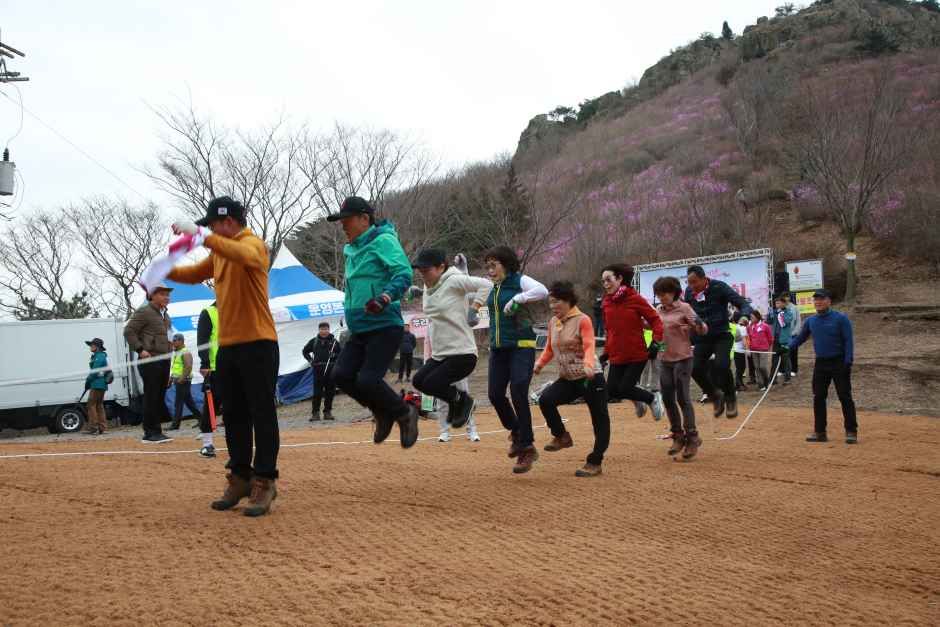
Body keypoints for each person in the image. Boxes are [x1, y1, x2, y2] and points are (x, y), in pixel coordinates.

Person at [169, 195, 281, 517]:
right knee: (233, 415)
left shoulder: (252, 244)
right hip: (228, 347)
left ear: (228, 222)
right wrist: (161, 269)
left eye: (213, 226)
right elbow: (192, 274)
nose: (210, 233)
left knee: (262, 413)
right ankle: (241, 477)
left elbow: (242, 253)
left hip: (259, 342)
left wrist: (204, 237)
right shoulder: (219, 253)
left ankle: (265, 481)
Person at [327, 196, 419, 448]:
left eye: (347, 220)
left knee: (368, 380)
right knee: (342, 375)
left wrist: (385, 296)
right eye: (341, 221)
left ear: (364, 219)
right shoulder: (351, 248)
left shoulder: (383, 240)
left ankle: (404, 412)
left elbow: (403, 273)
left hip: (384, 324)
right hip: (359, 328)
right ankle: (382, 412)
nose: (343, 225)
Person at [480, 245, 548, 474]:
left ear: (506, 264)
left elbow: (542, 291)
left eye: (494, 265)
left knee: (518, 388)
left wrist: (519, 298)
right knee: (495, 394)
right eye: (487, 266)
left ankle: (526, 446)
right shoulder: (494, 288)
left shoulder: (520, 281)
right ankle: (517, 432)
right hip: (498, 348)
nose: (490, 270)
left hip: (521, 345)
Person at [410, 248, 492, 434]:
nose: (423, 276)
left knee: (432, 383)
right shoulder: (428, 285)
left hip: (461, 353)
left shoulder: (454, 280)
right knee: (419, 381)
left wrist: (474, 309)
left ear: (441, 267)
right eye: (420, 272)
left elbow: (486, 285)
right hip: (441, 354)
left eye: (426, 271)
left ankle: (464, 401)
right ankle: (457, 403)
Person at [534, 281, 610, 477]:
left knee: (599, 419)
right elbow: (550, 348)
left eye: (556, 302)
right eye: (550, 302)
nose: (552, 306)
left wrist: (588, 364)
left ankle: (595, 461)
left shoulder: (582, 319)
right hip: (568, 378)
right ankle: (561, 436)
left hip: (589, 377)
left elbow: (589, 345)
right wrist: (540, 364)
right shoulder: (554, 322)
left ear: (567, 300)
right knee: (546, 400)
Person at [789, 289, 858, 444]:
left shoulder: (841, 319)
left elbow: (848, 341)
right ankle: (820, 432)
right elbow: (800, 338)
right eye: (815, 300)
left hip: (839, 362)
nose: (818, 302)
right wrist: (787, 348)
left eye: (821, 299)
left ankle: (851, 431)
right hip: (821, 363)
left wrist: (848, 361)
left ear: (829, 301)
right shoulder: (811, 321)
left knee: (845, 396)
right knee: (818, 397)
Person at [684, 265, 752, 419]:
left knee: (721, 365)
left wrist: (745, 315)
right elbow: (685, 310)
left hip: (722, 334)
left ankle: (730, 398)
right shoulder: (689, 292)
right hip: (702, 337)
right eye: (689, 283)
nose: (691, 286)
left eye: (694, 282)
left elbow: (742, 303)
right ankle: (715, 395)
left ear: (704, 278)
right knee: (694, 368)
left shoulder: (719, 287)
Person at [599, 264, 665, 420]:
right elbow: (610, 330)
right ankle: (639, 400)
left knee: (625, 387)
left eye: (608, 280)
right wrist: (606, 353)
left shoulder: (634, 298)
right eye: (603, 281)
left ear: (620, 278)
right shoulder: (606, 302)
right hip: (617, 354)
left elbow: (656, 321)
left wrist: (656, 343)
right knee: (613, 390)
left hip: (637, 353)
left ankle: (652, 398)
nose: (605, 284)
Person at [653, 277, 708, 459]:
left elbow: (702, 329)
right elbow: (650, 325)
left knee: (682, 398)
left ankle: (692, 437)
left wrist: (699, 326)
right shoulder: (658, 310)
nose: (662, 297)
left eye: (665, 293)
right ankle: (678, 436)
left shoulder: (684, 308)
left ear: (674, 292)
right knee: (668, 398)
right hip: (665, 359)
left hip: (683, 358)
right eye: (659, 294)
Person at [124, 283, 175, 444]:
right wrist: (140, 350)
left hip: (164, 359)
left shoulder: (165, 315)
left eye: (168, 295)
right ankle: (149, 433)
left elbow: (166, 335)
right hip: (150, 359)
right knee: (151, 396)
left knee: (159, 397)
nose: (166, 297)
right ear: (152, 295)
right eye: (163, 294)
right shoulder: (144, 312)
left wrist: (170, 345)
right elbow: (128, 331)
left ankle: (157, 431)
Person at [196, 301, 220, 458]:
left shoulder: (237, 309)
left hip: (236, 366)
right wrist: (204, 363)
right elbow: (202, 340)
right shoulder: (209, 312)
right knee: (211, 406)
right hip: (214, 367)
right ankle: (207, 443)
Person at [302, 322, 341, 421]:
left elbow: (341, 353)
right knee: (317, 393)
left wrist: (335, 356)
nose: (324, 331)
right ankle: (315, 414)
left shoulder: (334, 342)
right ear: (319, 330)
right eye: (322, 329)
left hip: (331, 370)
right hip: (318, 369)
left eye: (326, 329)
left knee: (330, 392)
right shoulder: (314, 341)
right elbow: (305, 351)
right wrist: (311, 361)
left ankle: (327, 412)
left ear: (329, 330)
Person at [168, 333, 200, 430]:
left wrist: (182, 378)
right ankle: (202, 419)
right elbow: (175, 368)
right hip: (179, 380)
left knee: (178, 403)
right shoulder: (177, 352)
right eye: (173, 341)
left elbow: (188, 366)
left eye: (175, 341)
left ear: (181, 341)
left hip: (183, 381)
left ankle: (175, 425)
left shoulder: (185, 352)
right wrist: (170, 379)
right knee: (189, 402)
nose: (173, 343)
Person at [83, 337, 109, 435]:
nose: (90, 346)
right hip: (100, 384)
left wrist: (88, 381)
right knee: (98, 405)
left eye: (92, 345)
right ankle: (102, 427)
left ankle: (93, 427)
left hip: (97, 383)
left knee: (91, 404)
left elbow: (95, 371)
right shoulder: (99, 356)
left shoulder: (99, 356)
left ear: (97, 347)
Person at [747, 310, 775, 390]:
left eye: (752, 317)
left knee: (762, 366)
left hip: (763, 349)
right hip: (754, 350)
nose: (751, 319)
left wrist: (767, 346)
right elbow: (749, 338)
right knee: (757, 367)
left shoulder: (765, 326)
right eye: (750, 317)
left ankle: (767, 381)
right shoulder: (750, 327)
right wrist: (749, 348)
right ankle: (761, 384)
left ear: (757, 317)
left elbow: (770, 338)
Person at [772, 296, 794, 385]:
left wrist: (781, 314)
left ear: (783, 303)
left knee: (786, 359)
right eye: (775, 303)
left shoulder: (788, 312)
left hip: (784, 339)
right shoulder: (775, 312)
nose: (776, 305)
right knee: (774, 359)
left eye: (778, 303)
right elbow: (770, 321)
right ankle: (773, 379)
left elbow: (786, 322)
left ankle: (787, 378)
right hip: (776, 338)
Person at [784, 292, 802, 376]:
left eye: (787, 296)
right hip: (784, 334)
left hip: (793, 333)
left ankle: (794, 369)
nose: (786, 298)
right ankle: (784, 369)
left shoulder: (795, 308)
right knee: (784, 352)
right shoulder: (782, 307)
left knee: (793, 352)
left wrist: (795, 332)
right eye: (784, 297)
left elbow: (798, 321)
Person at [733, 316, 750, 391]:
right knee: (741, 368)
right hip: (740, 351)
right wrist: (747, 349)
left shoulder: (736, 326)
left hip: (736, 350)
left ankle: (739, 383)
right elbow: (744, 340)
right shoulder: (743, 328)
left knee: (739, 368)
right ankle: (738, 384)